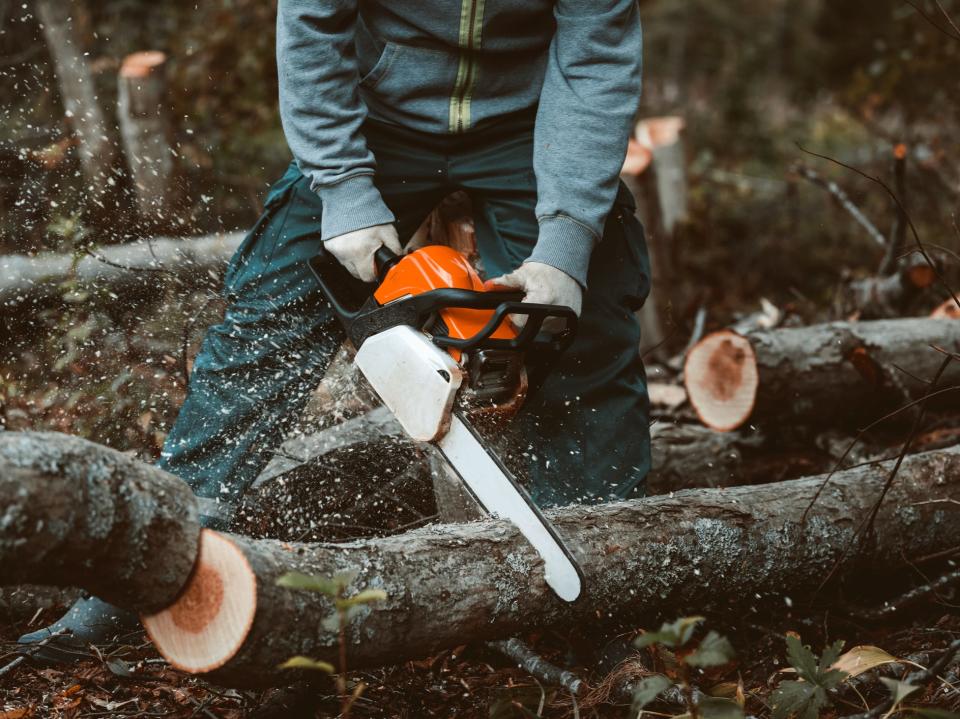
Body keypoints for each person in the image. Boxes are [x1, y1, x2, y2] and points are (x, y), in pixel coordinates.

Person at [20, 0, 651, 662]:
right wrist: (345, 187)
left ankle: (611, 589)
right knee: (266, 317)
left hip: (534, 121)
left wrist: (567, 240)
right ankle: (148, 558)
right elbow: (312, 23)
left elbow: (595, 54)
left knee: (583, 330)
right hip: (377, 116)